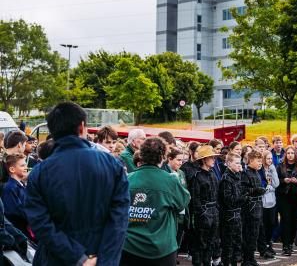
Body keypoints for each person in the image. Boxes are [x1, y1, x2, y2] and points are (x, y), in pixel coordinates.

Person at [25, 101, 129, 265]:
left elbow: (40, 224)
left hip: (55, 258)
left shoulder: (39, 172)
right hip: (99, 255)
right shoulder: (112, 165)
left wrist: (79, 258)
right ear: (82, 127)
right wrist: (103, 260)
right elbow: (119, 220)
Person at [121, 137, 190, 266]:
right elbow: (183, 202)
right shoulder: (170, 180)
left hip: (129, 246)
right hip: (161, 249)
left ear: (141, 155)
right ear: (163, 157)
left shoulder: (126, 180)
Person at [191, 145, 222, 266]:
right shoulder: (197, 176)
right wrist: (202, 213)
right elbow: (195, 198)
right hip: (203, 215)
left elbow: (217, 194)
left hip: (213, 212)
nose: (214, 160)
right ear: (204, 159)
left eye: (214, 157)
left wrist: (216, 210)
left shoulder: (213, 174)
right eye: (211, 157)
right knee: (200, 243)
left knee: (211, 242)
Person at [219, 153, 248, 266]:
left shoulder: (237, 175)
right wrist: (242, 198)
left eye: (240, 162)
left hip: (237, 214)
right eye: (236, 163)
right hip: (229, 216)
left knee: (237, 243)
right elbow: (228, 201)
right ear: (229, 164)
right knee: (228, 244)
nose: (239, 165)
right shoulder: (226, 179)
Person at [241, 150, 266, 266]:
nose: (260, 163)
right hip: (250, 207)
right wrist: (254, 190)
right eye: (258, 161)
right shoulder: (246, 173)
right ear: (251, 161)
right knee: (251, 234)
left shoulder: (256, 172)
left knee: (255, 234)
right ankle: (247, 259)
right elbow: (243, 190)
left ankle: (251, 258)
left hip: (258, 206)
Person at [276, 145, 297, 256]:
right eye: (289, 153)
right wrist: (283, 180)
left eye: (292, 153)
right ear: (285, 154)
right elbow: (275, 181)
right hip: (283, 195)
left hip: (296, 196)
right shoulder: (280, 166)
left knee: (293, 220)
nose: (290, 155)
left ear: (295, 155)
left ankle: (291, 243)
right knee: (285, 219)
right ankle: (285, 245)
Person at [2, 153, 31, 239]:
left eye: (25, 165)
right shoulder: (10, 188)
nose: (26, 168)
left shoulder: (21, 185)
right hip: (18, 232)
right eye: (22, 166)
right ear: (12, 169)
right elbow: (14, 212)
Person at [261, 151, 279, 257]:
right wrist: (269, 188)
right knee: (264, 225)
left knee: (272, 223)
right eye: (267, 158)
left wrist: (273, 171)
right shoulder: (260, 170)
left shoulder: (272, 169)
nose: (270, 160)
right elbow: (263, 185)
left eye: (271, 158)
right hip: (263, 202)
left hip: (272, 201)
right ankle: (263, 246)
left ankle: (268, 243)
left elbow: (276, 184)